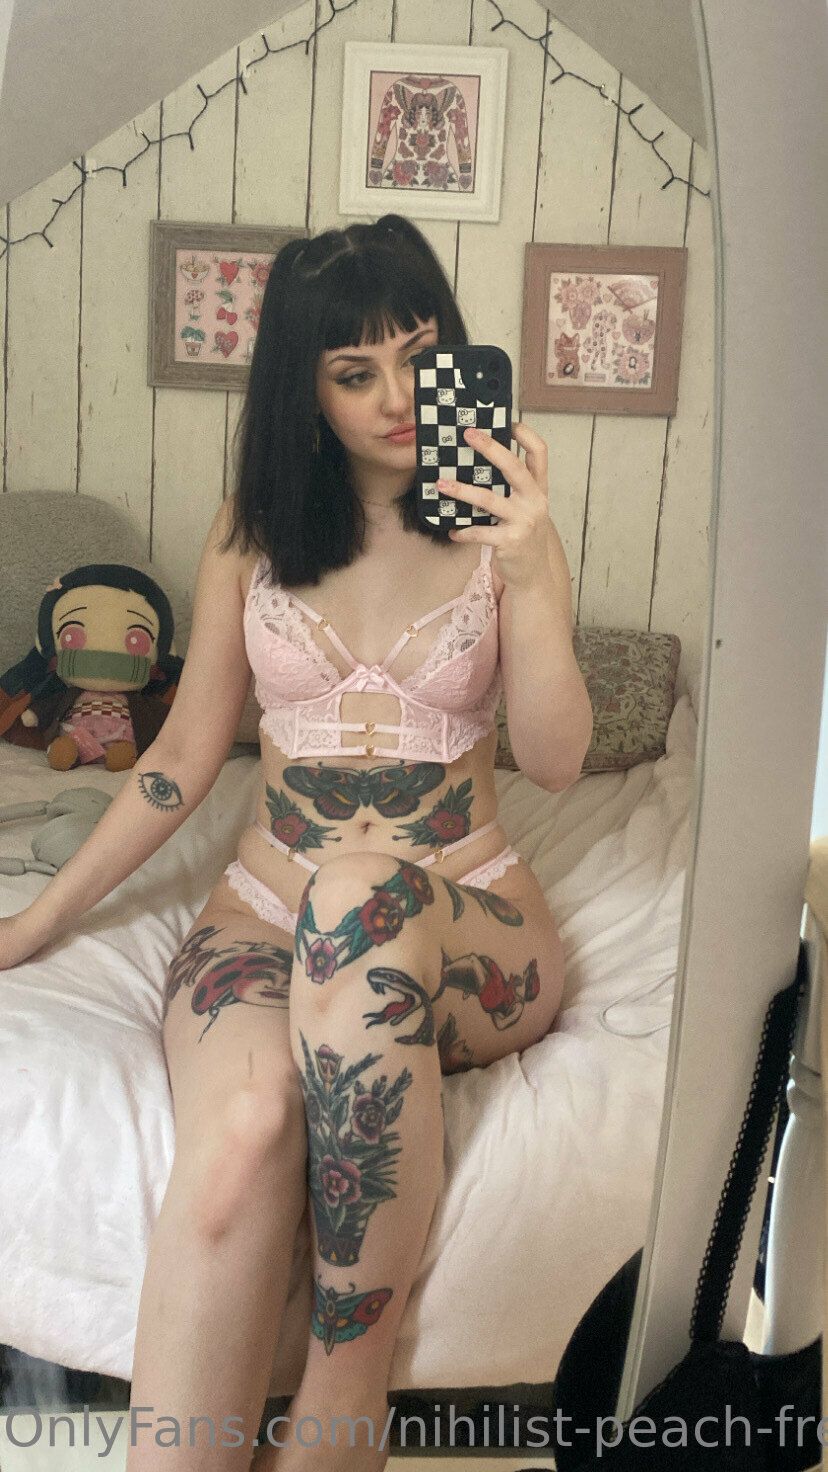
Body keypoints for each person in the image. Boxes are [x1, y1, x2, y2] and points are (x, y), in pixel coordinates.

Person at [0, 213, 593, 1472]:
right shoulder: (249, 532)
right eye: (353, 370)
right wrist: (35, 921)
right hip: (267, 914)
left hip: (463, 918)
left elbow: (555, 759)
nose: (396, 397)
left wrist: (536, 570)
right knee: (245, 1130)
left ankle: (340, 1401)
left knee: (363, 894)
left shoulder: (503, 528)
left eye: (417, 356)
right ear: (304, 388)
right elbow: (180, 759)